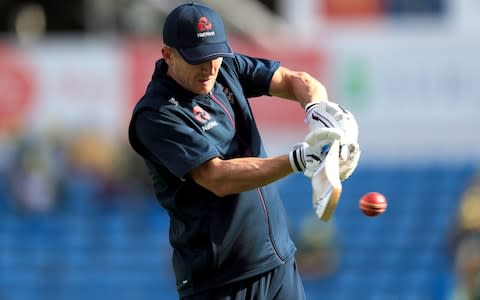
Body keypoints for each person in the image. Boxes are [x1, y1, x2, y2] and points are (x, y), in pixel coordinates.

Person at [128, 3, 360, 299]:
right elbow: (216, 177)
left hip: (278, 263)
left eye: (214, 55)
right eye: (197, 58)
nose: (209, 67)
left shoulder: (224, 67)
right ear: (168, 55)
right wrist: (300, 159)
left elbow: (296, 81)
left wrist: (320, 113)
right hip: (220, 281)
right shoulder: (156, 114)